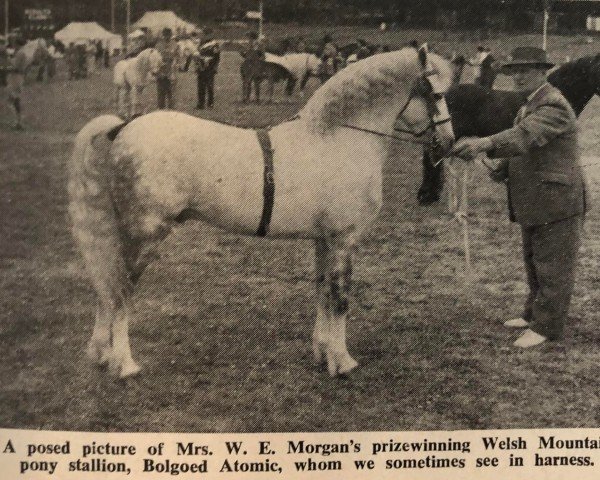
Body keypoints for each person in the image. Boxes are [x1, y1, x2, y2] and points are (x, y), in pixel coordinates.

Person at [450, 46, 589, 348]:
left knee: (553, 266)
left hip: (557, 199)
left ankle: (547, 327)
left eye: (525, 70)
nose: (517, 77)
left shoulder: (553, 105)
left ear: (542, 72)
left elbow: (526, 136)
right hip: (537, 198)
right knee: (535, 261)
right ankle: (532, 315)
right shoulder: (529, 104)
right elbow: (523, 147)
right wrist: (500, 168)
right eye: (514, 71)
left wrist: (483, 143)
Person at [155, 27, 180, 110]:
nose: (167, 37)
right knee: (161, 93)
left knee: (171, 93)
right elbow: (155, 59)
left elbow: (178, 57)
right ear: (163, 35)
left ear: (171, 35)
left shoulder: (175, 45)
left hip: (171, 71)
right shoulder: (158, 45)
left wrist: (175, 65)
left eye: (168, 35)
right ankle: (161, 111)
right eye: (165, 35)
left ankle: (171, 111)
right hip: (161, 71)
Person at [6, 38, 27, 130]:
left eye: (14, 43)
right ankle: (18, 121)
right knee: (13, 100)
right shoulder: (20, 52)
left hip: (16, 77)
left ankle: (18, 122)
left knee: (13, 100)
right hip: (17, 77)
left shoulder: (20, 53)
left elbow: (16, 67)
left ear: (17, 44)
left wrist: (7, 63)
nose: (13, 45)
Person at [194, 37, 220, 109]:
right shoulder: (201, 43)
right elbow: (197, 54)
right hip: (201, 67)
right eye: (205, 33)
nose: (206, 35)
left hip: (210, 67)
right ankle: (200, 104)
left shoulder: (214, 44)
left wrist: (215, 67)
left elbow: (217, 57)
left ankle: (210, 104)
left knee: (210, 87)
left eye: (208, 33)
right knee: (201, 87)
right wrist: (197, 65)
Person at [241, 31, 265, 103]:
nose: (248, 39)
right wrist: (242, 54)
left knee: (256, 82)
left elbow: (263, 56)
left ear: (252, 38)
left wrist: (258, 62)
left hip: (256, 65)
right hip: (248, 64)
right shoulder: (247, 45)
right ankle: (246, 98)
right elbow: (245, 55)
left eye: (249, 37)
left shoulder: (259, 45)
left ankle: (257, 98)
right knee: (247, 82)